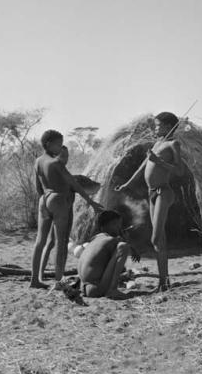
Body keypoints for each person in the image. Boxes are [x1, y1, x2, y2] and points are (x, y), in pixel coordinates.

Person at [115, 112, 183, 291]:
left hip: (163, 192)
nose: (156, 128)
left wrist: (158, 161)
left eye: (159, 125)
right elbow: (142, 167)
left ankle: (164, 281)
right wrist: (126, 185)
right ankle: (163, 282)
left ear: (169, 126)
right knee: (160, 241)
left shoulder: (173, 144)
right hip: (151, 193)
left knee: (155, 237)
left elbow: (179, 171)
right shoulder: (158, 143)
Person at [30, 130, 103, 290]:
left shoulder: (38, 161)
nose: (60, 147)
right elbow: (74, 184)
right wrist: (91, 202)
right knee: (62, 243)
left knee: (40, 241)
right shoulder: (56, 163)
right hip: (59, 200)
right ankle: (59, 281)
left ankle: (34, 280)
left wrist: (44, 201)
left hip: (44, 200)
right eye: (58, 144)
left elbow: (38, 186)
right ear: (48, 144)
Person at [78, 210, 140, 300]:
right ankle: (113, 290)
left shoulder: (95, 239)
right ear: (104, 227)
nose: (119, 228)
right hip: (96, 289)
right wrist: (128, 242)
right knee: (124, 247)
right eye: (116, 225)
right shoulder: (110, 240)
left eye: (120, 225)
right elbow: (123, 249)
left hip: (83, 289)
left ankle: (111, 289)